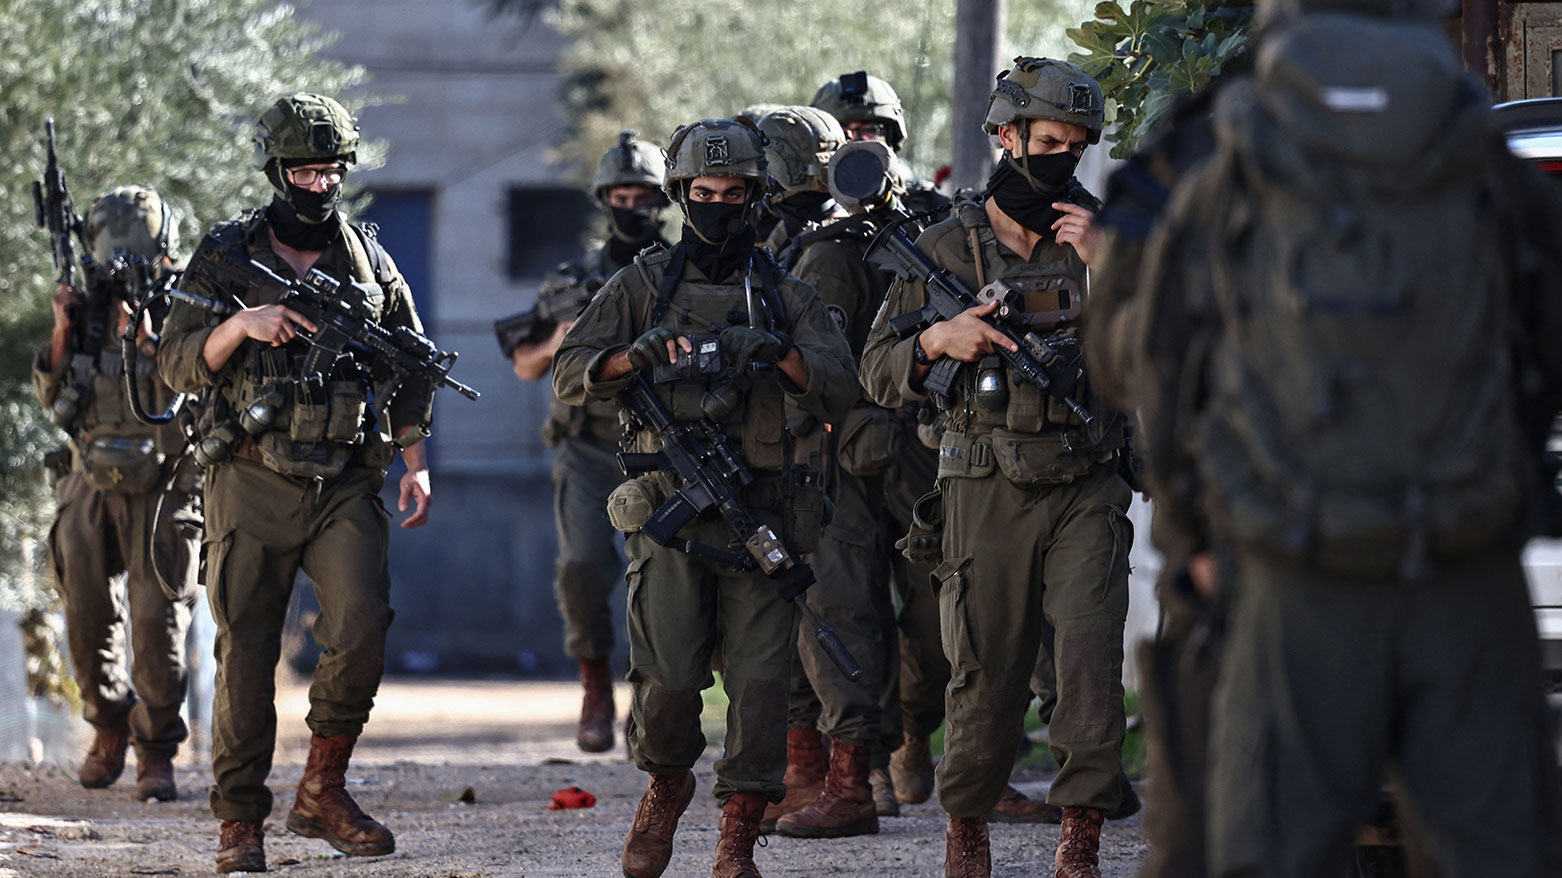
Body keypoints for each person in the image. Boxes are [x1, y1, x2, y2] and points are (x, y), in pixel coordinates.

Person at [1097, 1, 1562, 875]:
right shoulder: (1487, 164)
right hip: (1466, 570)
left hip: (1292, 573)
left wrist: (1198, 533)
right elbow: (1545, 350)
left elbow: (1151, 359)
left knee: (1272, 850)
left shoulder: (1225, 162)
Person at [553, 116, 857, 878]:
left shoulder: (785, 293)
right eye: (703, 192)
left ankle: (737, 838)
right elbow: (569, 372)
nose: (718, 205)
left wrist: (779, 356)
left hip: (763, 516)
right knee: (669, 683)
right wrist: (633, 356)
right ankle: (665, 783)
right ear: (681, 196)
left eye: (733, 193)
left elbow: (846, 386)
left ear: (756, 196)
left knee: (760, 693)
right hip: (669, 515)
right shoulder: (642, 286)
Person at [859, 58, 1135, 878]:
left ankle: (1079, 837)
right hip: (982, 484)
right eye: (1050, 141)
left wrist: (1115, 274)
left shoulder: (1104, 235)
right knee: (985, 670)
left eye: (1079, 147)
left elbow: (1166, 351)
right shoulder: (945, 244)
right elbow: (876, 369)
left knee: (1089, 659)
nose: (1064, 160)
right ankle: (967, 827)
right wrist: (939, 342)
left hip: (1085, 476)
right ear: (1008, 135)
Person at [156, 92, 436, 874]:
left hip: (344, 478)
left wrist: (415, 460)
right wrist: (239, 326)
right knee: (245, 653)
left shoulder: (370, 260)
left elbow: (413, 366)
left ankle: (323, 791)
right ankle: (239, 822)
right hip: (249, 474)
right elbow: (174, 363)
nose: (320, 184)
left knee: (362, 623)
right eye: (306, 170)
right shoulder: (225, 254)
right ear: (277, 170)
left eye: (332, 169)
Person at [33, 185, 198, 803]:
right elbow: (54, 399)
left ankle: (157, 751)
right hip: (89, 483)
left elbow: (205, 388)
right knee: (84, 619)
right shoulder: (88, 304)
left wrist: (154, 344)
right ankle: (108, 728)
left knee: (158, 626)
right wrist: (63, 325)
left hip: (163, 484)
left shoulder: (187, 302)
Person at [510, 130, 671, 753]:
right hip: (586, 444)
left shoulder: (683, 270)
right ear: (605, 199)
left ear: (662, 201)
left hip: (661, 440)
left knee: (659, 576)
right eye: (621, 194)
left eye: (644, 196)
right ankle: (595, 686)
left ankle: (650, 702)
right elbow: (524, 363)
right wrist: (562, 341)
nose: (632, 206)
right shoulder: (570, 279)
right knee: (582, 568)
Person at [811, 71, 951, 221]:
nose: (856, 140)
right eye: (844, 132)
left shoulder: (932, 207)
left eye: (870, 130)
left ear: (892, 136)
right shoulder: (806, 209)